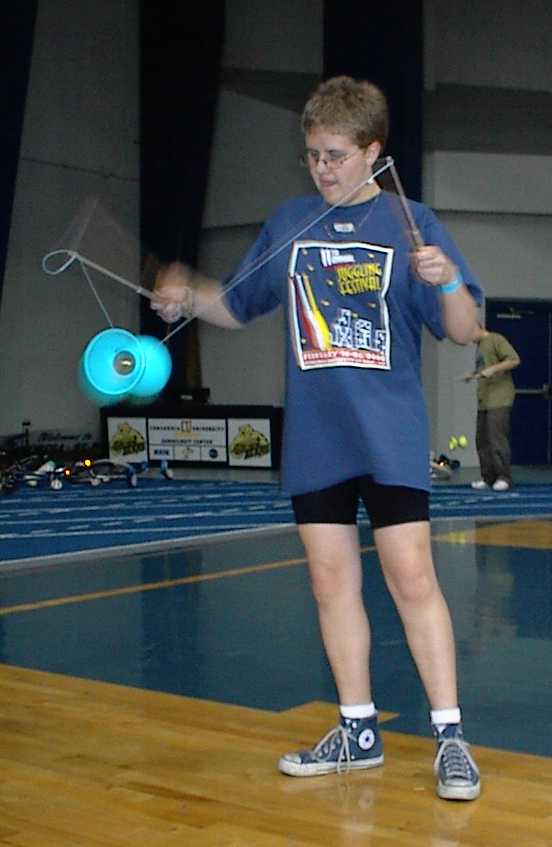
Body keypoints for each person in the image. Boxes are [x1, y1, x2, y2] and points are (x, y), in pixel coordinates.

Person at [152, 76, 483, 801]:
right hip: (317, 439)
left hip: (389, 435)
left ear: (372, 151)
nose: (323, 168)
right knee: (331, 582)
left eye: (336, 154)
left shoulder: (412, 222)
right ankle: (357, 729)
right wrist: (187, 292)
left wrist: (449, 277)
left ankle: (451, 738)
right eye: (313, 156)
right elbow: (239, 305)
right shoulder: (290, 224)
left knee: (412, 578)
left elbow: (463, 330)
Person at [465, 323, 520, 491]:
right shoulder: (479, 347)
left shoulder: (496, 339)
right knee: (482, 440)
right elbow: (484, 369)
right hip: (484, 400)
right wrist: (473, 375)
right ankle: (488, 477)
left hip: (499, 398)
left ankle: (504, 477)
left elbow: (514, 359)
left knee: (497, 439)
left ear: (476, 328)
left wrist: (493, 369)